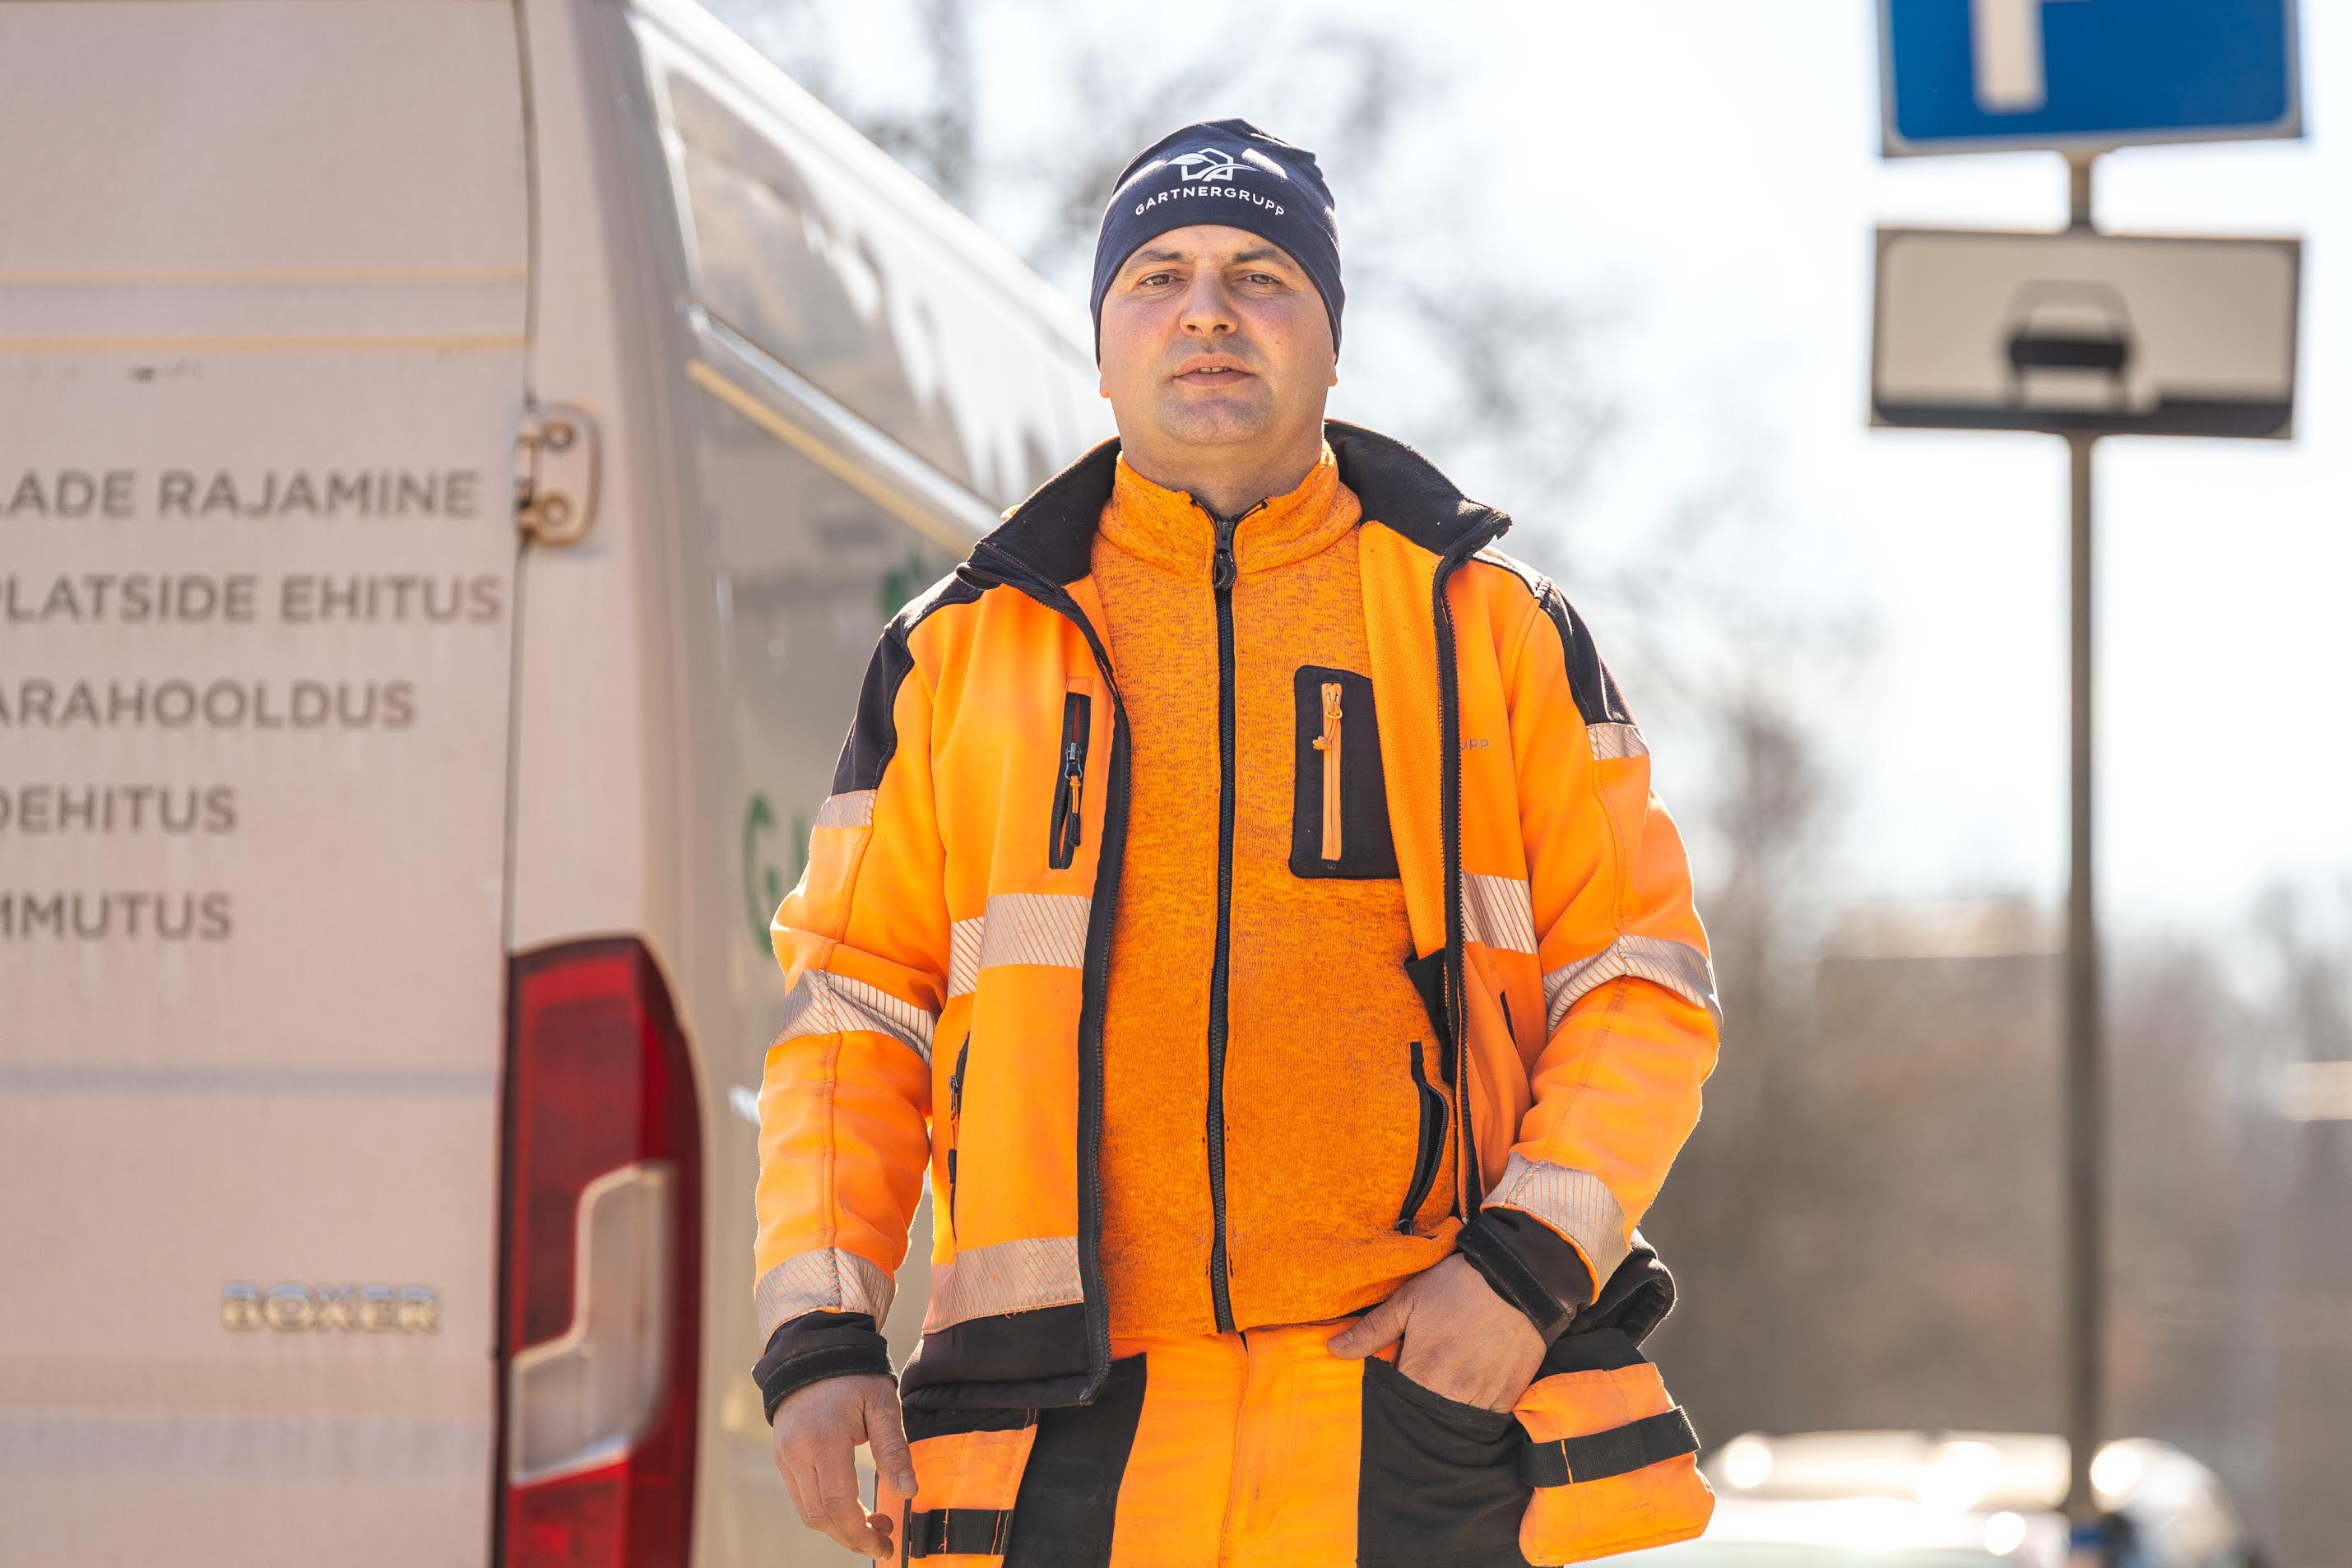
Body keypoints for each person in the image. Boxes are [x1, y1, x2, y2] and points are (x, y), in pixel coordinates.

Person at [753, 118, 1723, 1567]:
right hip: (1057, 1429)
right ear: (1101, 350)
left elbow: (1641, 987)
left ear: (1333, 340)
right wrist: (823, 1334)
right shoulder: (954, 654)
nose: (1206, 310)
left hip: (1412, 1418)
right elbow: (852, 1018)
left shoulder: (1494, 629)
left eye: (1260, 274)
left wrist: (1520, 1276)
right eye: (1158, 276)